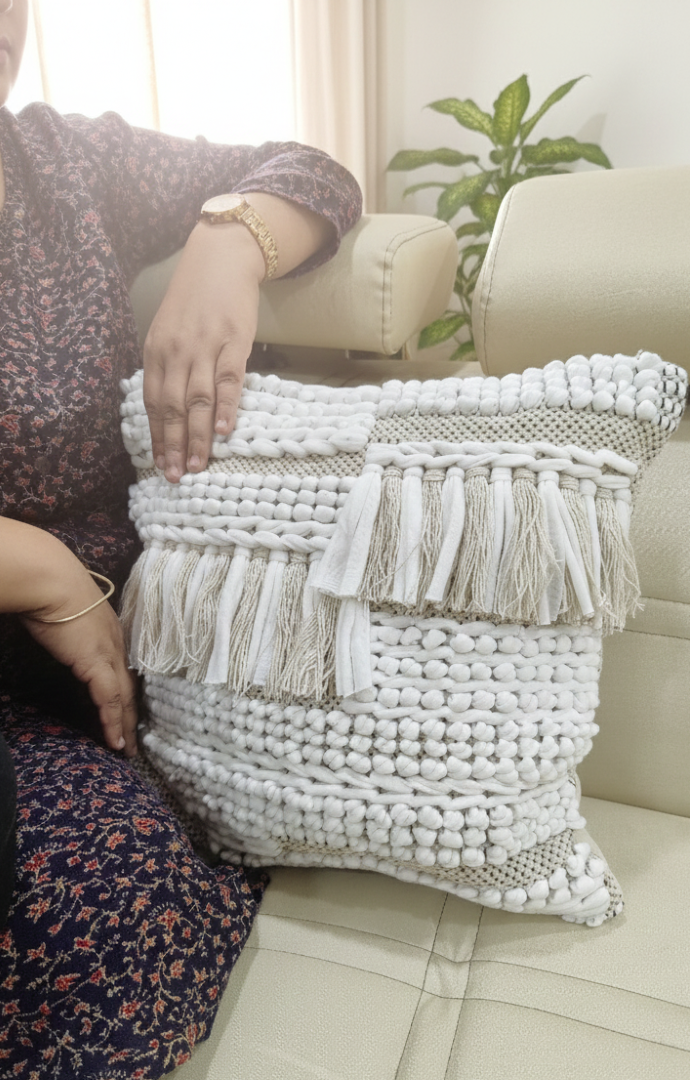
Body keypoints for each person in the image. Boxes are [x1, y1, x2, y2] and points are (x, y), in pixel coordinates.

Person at [0, 0, 362, 1073]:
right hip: (56, 623)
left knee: (113, 920)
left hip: (79, 702)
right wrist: (33, 566)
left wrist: (227, 240)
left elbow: (310, 170)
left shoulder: (60, 164)